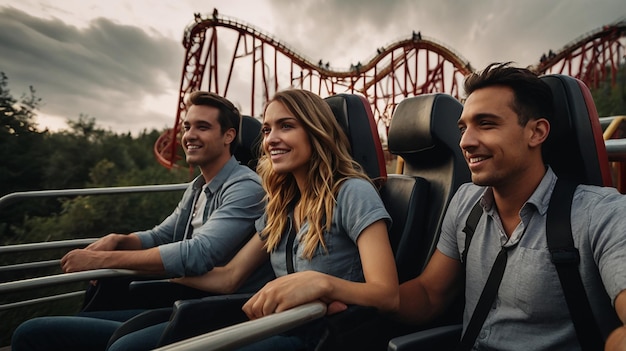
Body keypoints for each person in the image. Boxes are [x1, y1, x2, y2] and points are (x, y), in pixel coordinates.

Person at [104, 88, 399, 351]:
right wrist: (150, 270)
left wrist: (322, 283)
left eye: (286, 126)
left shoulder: (352, 192)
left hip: (322, 334)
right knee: (129, 345)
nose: (271, 139)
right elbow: (230, 278)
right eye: (268, 129)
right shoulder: (282, 204)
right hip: (276, 324)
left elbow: (387, 295)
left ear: (316, 131)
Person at [12, 91, 272, 350]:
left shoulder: (245, 186)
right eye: (187, 127)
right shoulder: (199, 186)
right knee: (69, 322)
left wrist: (102, 261)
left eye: (202, 127)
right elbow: (162, 235)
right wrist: (119, 240)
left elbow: (199, 253)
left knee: (34, 332)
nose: (190, 135)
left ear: (229, 136)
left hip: (211, 310)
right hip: (183, 299)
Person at [394, 62, 626, 350]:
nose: (465, 141)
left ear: (537, 133)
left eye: (486, 124)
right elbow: (429, 294)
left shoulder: (601, 214)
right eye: (463, 128)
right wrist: (353, 295)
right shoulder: (466, 201)